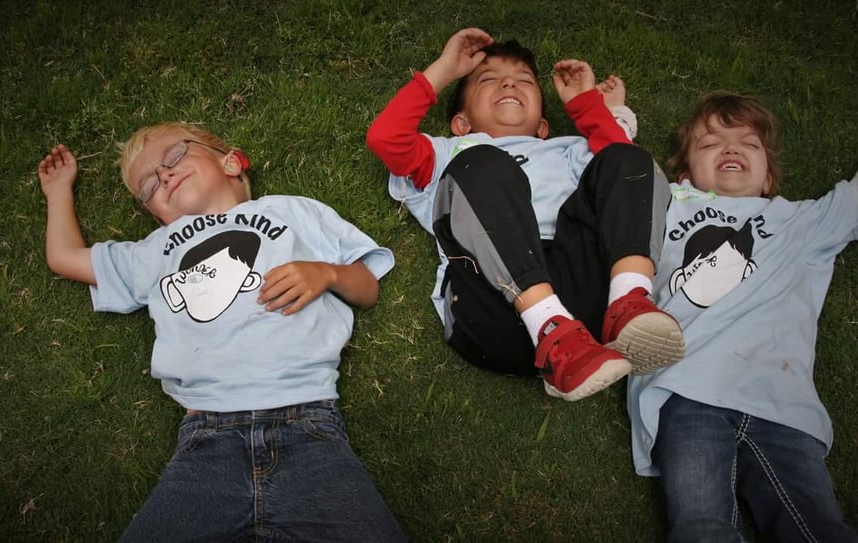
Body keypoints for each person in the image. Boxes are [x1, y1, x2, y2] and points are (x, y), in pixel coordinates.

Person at [37, 122, 407, 542]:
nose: (165, 175)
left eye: (174, 156)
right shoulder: (158, 249)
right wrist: (58, 192)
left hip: (310, 429)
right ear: (159, 215)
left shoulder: (291, 212)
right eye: (149, 185)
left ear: (230, 161)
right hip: (207, 444)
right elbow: (65, 257)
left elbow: (368, 286)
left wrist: (326, 273)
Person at [366, 27, 684, 401]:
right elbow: (385, 138)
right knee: (481, 163)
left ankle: (629, 301)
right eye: (490, 80)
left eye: (523, 81)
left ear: (543, 128)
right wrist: (445, 70)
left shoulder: (568, 150)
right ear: (461, 123)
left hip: (584, 309)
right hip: (494, 314)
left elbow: (627, 175)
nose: (509, 86)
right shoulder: (450, 153)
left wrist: (586, 104)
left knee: (628, 158)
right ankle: (548, 327)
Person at [626, 91, 858, 542]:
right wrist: (613, 112)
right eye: (711, 142)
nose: (730, 148)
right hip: (685, 391)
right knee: (701, 526)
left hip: (781, 402)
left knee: (819, 530)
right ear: (686, 171)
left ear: (768, 177)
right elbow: (618, 175)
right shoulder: (668, 203)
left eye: (748, 144)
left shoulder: (802, 221)